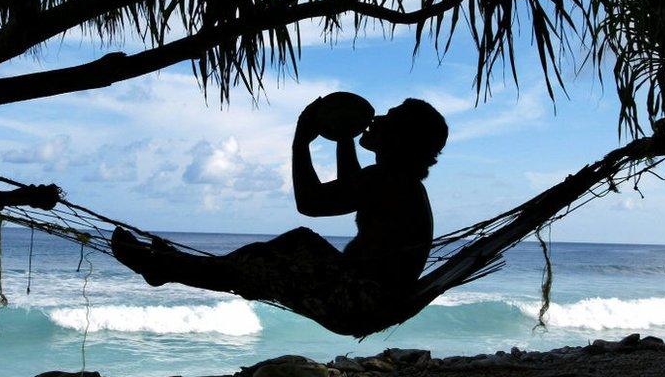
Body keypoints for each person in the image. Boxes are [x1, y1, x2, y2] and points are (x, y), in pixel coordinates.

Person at [111, 96, 448, 299]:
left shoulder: (388, 180)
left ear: (401, 140)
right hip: (369, 293)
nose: (377, 119)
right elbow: (351, 190)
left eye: (389, 118)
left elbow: (312, 203)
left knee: (297, 244)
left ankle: (169, 268)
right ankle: (173, 267)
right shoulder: (396, 183)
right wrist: (343, 135)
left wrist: (301, 143)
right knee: (287, 251)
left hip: (360, 299)